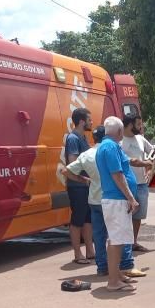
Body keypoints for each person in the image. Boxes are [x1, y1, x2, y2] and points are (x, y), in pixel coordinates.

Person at [64, 126, 145, 279]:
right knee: (120, 235)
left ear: (94, 139)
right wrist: (131, 197)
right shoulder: (110, 150)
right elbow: (119, 172)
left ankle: (102, 267)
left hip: (95, 200)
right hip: (113, 199)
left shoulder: (86, 155)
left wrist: (85, 180)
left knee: (99, 235)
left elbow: (66, 171)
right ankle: (125, 266)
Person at [96, 117, 140, 292]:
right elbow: (118, 175)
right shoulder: (111, 147)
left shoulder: (105, 146)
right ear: (120, 132)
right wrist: (131, 197)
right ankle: (113, 281)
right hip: (117, 200)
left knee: (117, 239)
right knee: (116, 240)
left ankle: (116, 274)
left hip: (114, 200)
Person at [120, 114, 155, 251]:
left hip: (141, 183)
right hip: (126, 184)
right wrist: (145, 163)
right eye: (138, 124)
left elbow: (154, 152)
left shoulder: (141, 139)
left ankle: (133, 242)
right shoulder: (119, 141)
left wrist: (150, 169)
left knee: (138, 216)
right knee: (125, 215)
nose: (141, 127)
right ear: (129, 125)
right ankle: (124, 244)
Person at [65, 108, 95, 264]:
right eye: (89, 119)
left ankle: (90, 251)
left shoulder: (83, 138)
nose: (92, 122)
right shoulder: (73, 139)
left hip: (87, 186)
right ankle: (78, 254)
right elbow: (72, 164)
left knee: (87, 218)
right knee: (77, 219)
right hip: (77, 186)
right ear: (82, 121)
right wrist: (83, 179)